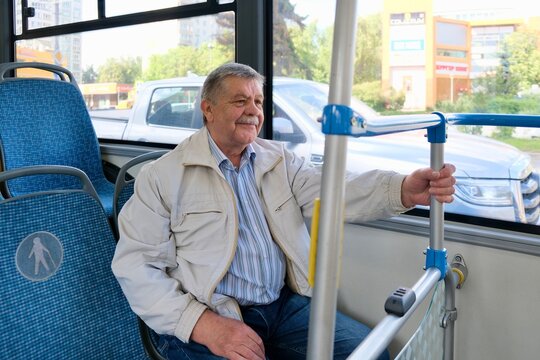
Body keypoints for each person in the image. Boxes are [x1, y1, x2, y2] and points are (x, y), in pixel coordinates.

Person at [112, 62, 456, 360]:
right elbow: (136, 267)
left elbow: (335, 190)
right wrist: (204, 326)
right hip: (212, 313)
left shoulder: (277, 160)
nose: (253, 110)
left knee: (369, 351)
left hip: (283, 306)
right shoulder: (162, 176)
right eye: (240, 100)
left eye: (258, 101)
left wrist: (402, 188)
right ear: (208, 109)